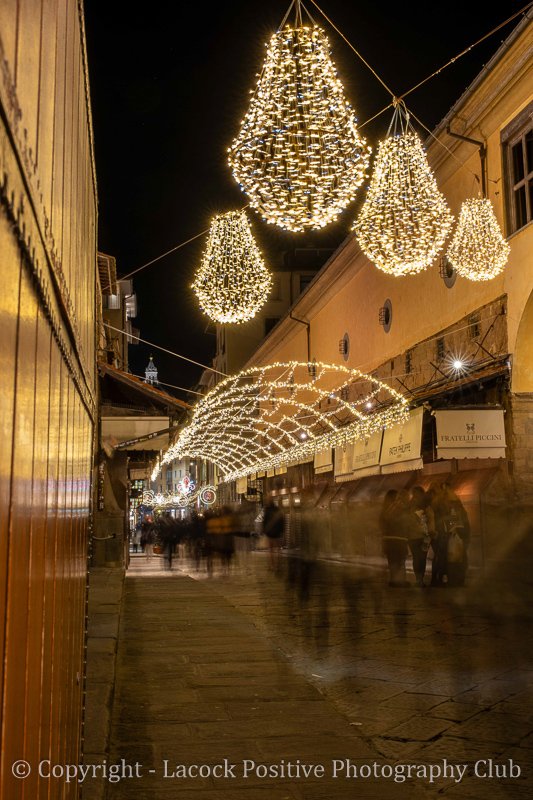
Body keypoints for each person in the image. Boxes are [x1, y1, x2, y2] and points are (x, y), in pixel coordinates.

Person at [440, 482, 470, 587]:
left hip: (457, 535)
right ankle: (457, 580)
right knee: (456, 558)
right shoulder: (456, 507)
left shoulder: (455, 508)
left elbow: (456, 522)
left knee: (455, 558)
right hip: (458, 535)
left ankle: (456, 580)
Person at [379, 489, 409, 587]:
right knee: (400, 561)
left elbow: (382, 524)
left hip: (388, 539)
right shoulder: (398, 507)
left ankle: (394, 580)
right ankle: (400, 581)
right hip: (399, 538)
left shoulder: (385, 509)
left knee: (393, 561)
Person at [408, 485, 434, 587]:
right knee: (420, 558)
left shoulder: (411, 506)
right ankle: (419, 579)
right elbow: (431, 520)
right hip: (420, 536)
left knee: (419, 558)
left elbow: (430, 520)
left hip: (418, 537)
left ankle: (419, 579)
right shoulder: (425, 506)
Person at [262, 494, 285, 572]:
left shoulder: (267, 510)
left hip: (270, 533)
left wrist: (264, 530)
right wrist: (282, 530)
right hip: (278, 532)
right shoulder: (277, 509)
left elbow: (264, 521)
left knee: (270, 550)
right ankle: (278, 565)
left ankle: (271, 566)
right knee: (278, 549)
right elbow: (282, 520)